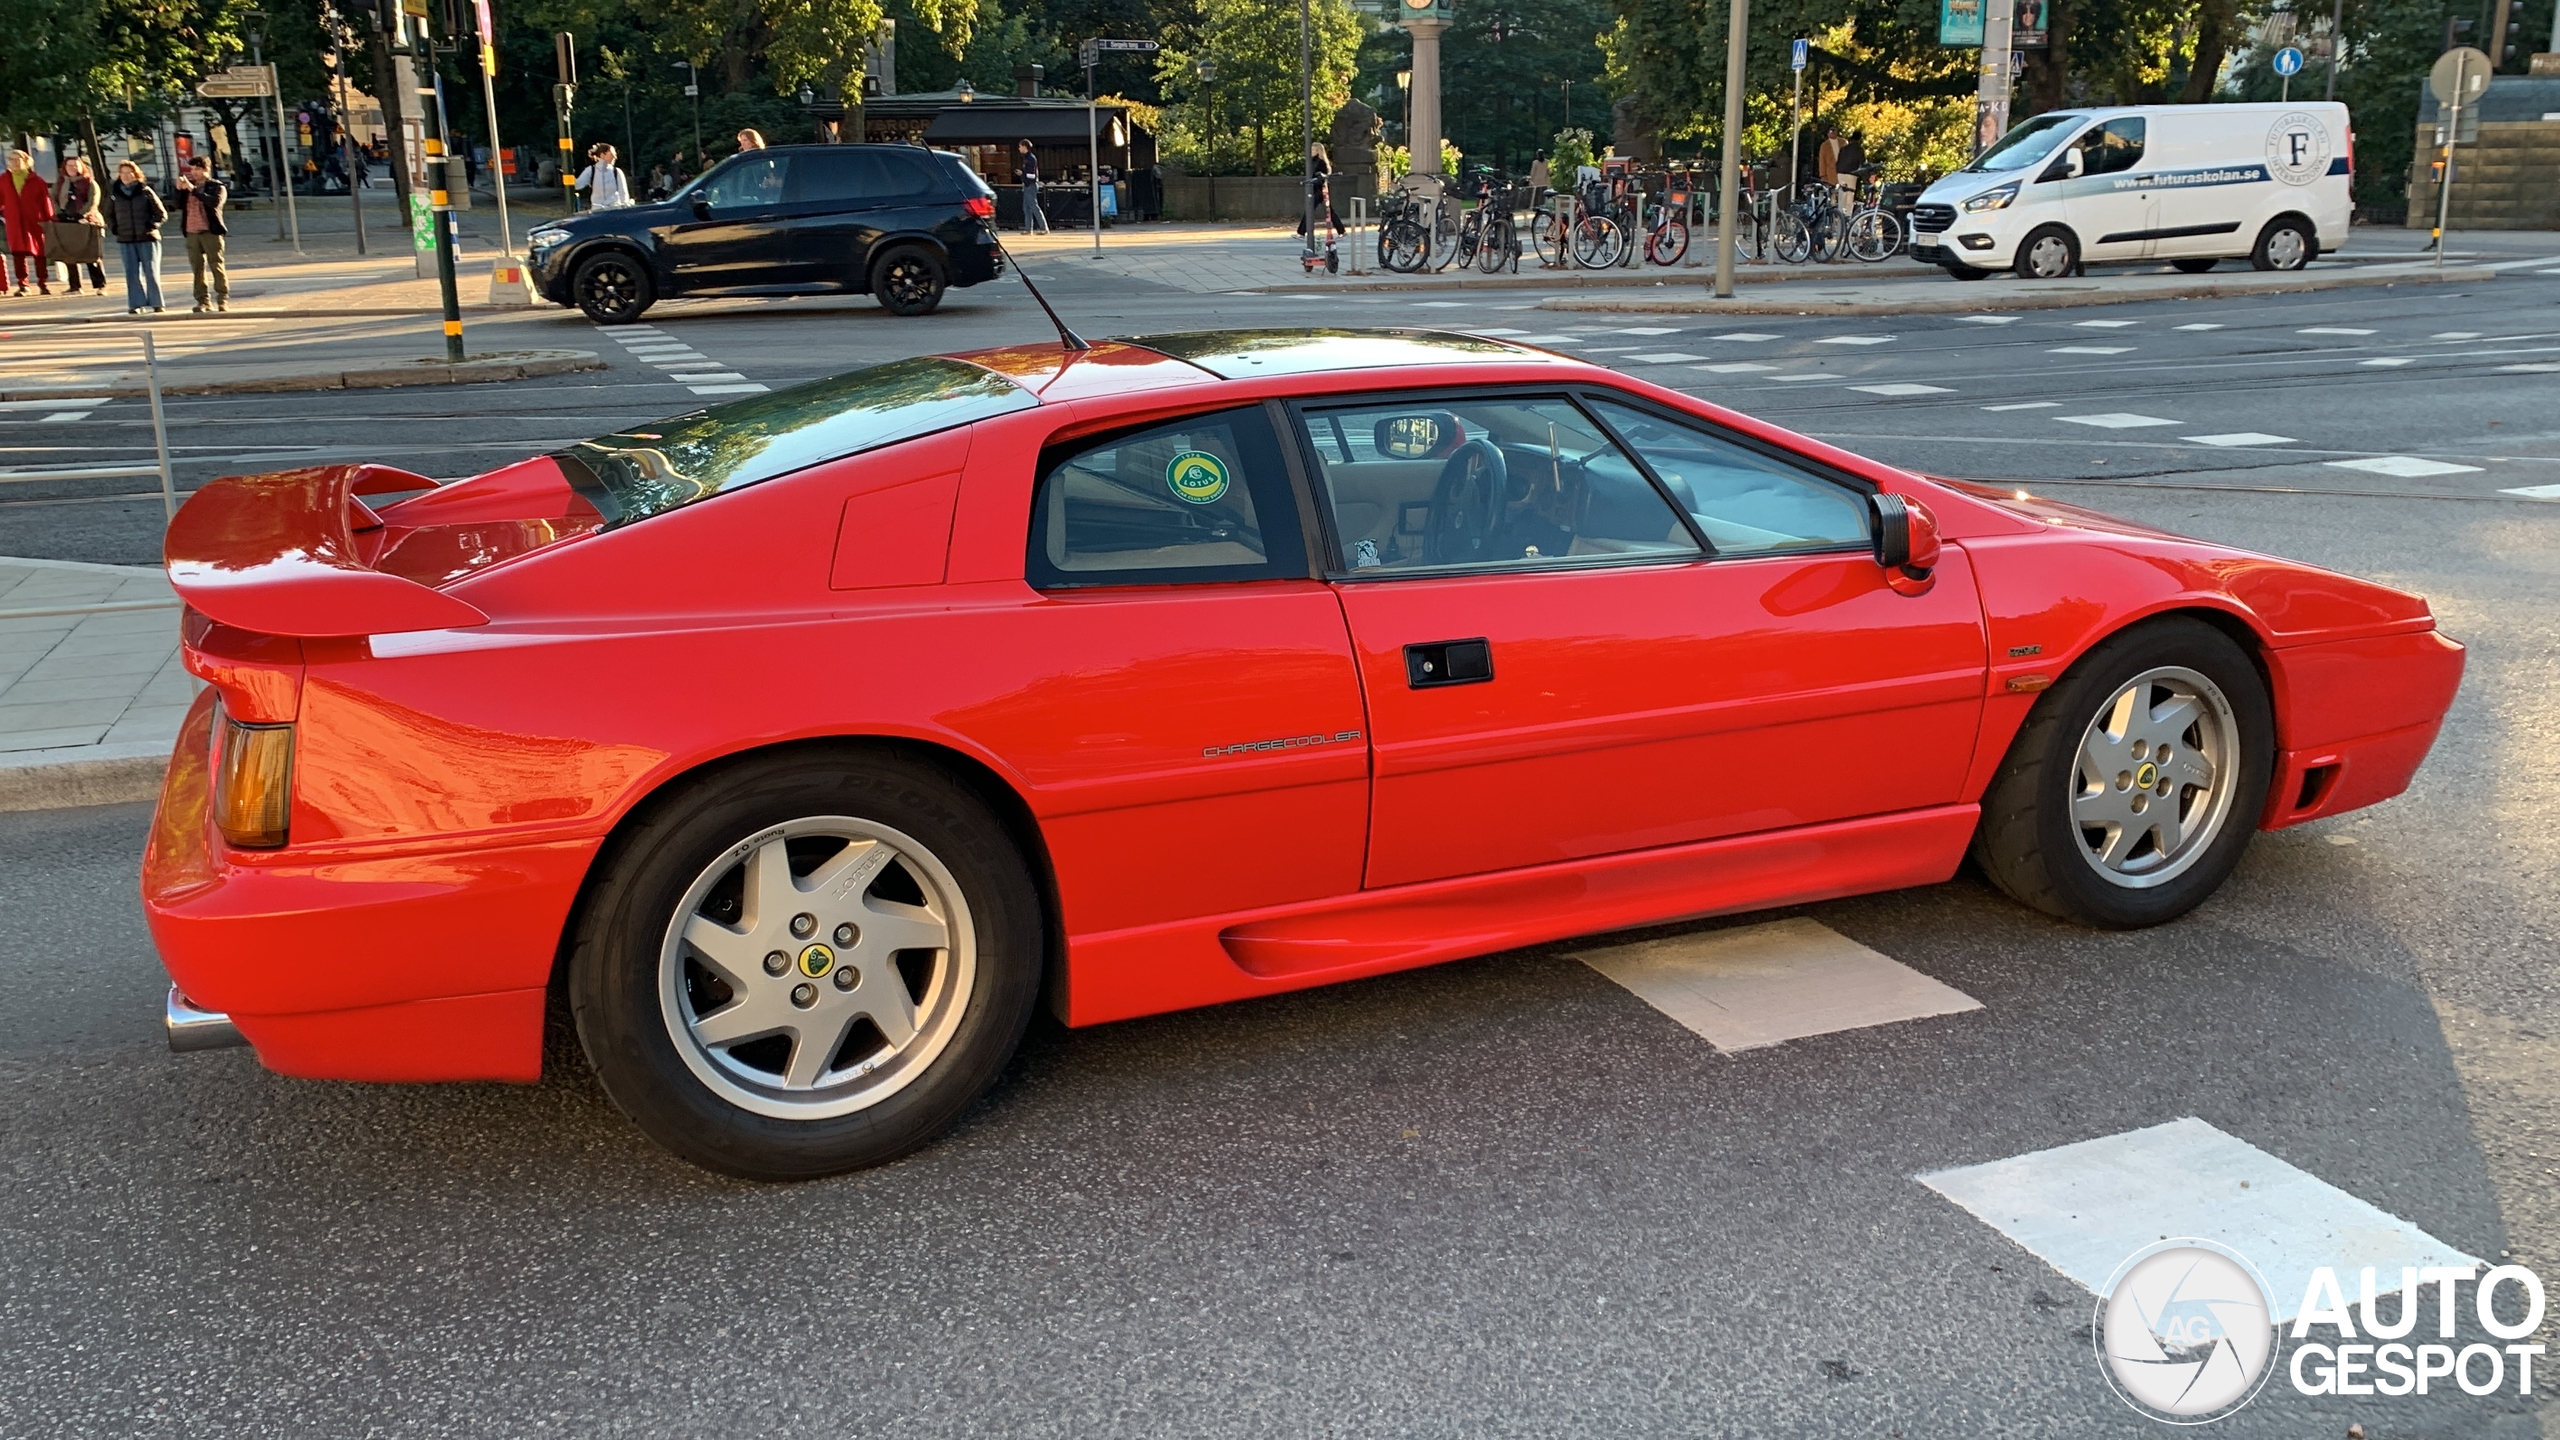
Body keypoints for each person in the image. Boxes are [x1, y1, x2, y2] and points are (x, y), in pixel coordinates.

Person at [104, 160, 166, 314]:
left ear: (135, 174)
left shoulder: (145, 191)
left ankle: (157, 303)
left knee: (151, 272)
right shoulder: (115, 193)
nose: (125, 176)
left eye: (129, 172)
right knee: (131, 273)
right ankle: (136, 304)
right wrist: (115, 228)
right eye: (122, 173)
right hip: (126, 239)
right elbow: (108, 215)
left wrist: (152, 225)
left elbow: (161, 214)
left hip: (147, 238)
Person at [173, 156, 228, 312]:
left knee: (216, 265)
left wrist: (193, 190)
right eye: (192, 169)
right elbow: (177, 205)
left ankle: (222, 298)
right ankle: (202, 300)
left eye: (197, 169)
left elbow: (214, 203)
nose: (194, 172)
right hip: (191, 232)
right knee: (197, 268)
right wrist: (178, 190)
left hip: (210, 231)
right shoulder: (189, 187)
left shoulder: (216, 187)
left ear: (206, 169)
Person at [50, 156, 106, 295]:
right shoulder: (60, 183)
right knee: (69, 254)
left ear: (81, 167)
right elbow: (53, 199)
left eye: (75, 165)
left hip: (86, 220)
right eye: (69, 165)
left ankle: (100, 285)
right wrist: (59, 213)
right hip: (66, 221)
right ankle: (75, 286)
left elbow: (93, 201)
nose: (72, 168)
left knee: (91, 254)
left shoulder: (90, 182)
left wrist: (81, 214)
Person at [2, 149, 51, 296]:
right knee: (18, 253)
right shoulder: (4, 180)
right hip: (14, 221)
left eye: (18, 159)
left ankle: (43, 283)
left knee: (39, 252)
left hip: (34, 221)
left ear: (26, 161)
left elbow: (45, 201)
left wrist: (49, 219)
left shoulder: (36, 180)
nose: (15, 163)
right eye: (11, 160)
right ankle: (23, 284)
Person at [576, 142, 632, 209]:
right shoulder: (590, 170)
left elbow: (624, 194)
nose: (615, 157)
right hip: (597, 210)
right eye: (612, 154)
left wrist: (625, 206)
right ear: (602, 155)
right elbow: (577, 185)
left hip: (614, 209)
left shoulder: (617, 172)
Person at [1015, 139, 1047, 233]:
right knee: (1027, 207)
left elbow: (1032, 175)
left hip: (1030, 185)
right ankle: (1028, 229)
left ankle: (1043, 228)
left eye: (1020, 146)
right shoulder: (1028, 158)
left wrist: (1022, 174)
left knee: (1033, 206)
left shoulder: (1031, 159)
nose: (1019, 148)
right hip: (1027, 185)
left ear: (1024, 147)